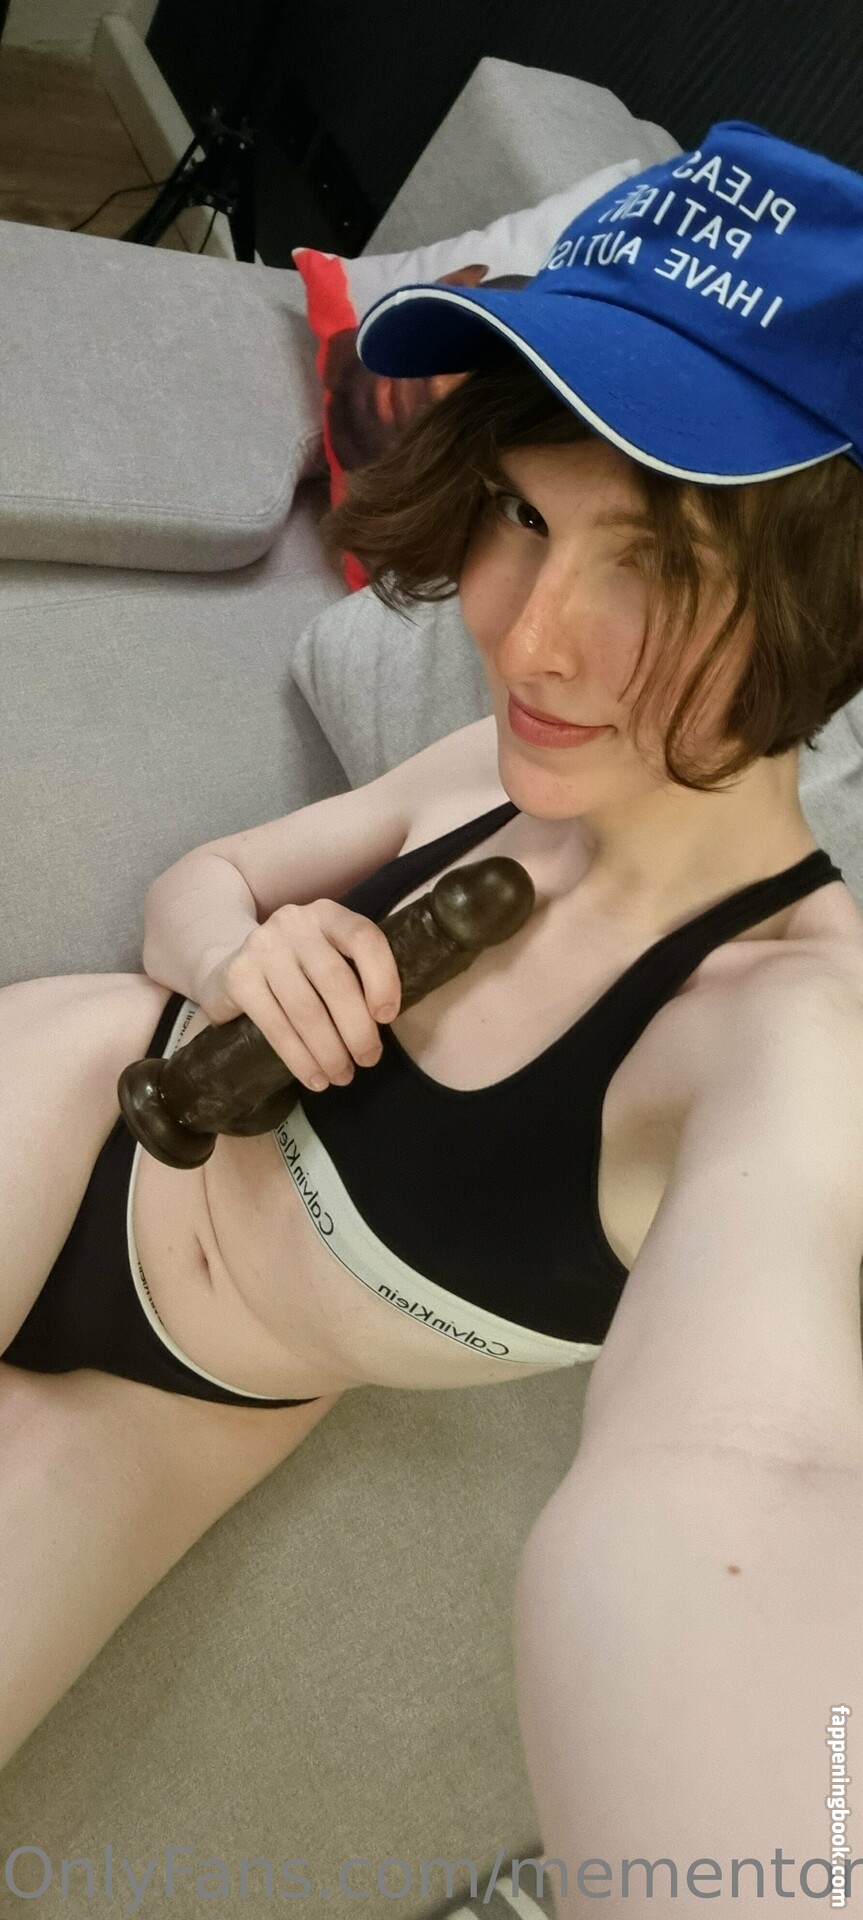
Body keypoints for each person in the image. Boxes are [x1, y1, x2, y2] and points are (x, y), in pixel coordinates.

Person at [1, 119, 863, 1900]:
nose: (529, 636)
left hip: (192, 1395)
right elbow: (201, 885)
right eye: (527, 515)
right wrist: (231, 958)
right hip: (83, 1097)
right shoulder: (502, 766)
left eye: (663, 562)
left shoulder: (789, 1037)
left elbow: (753, 1477)